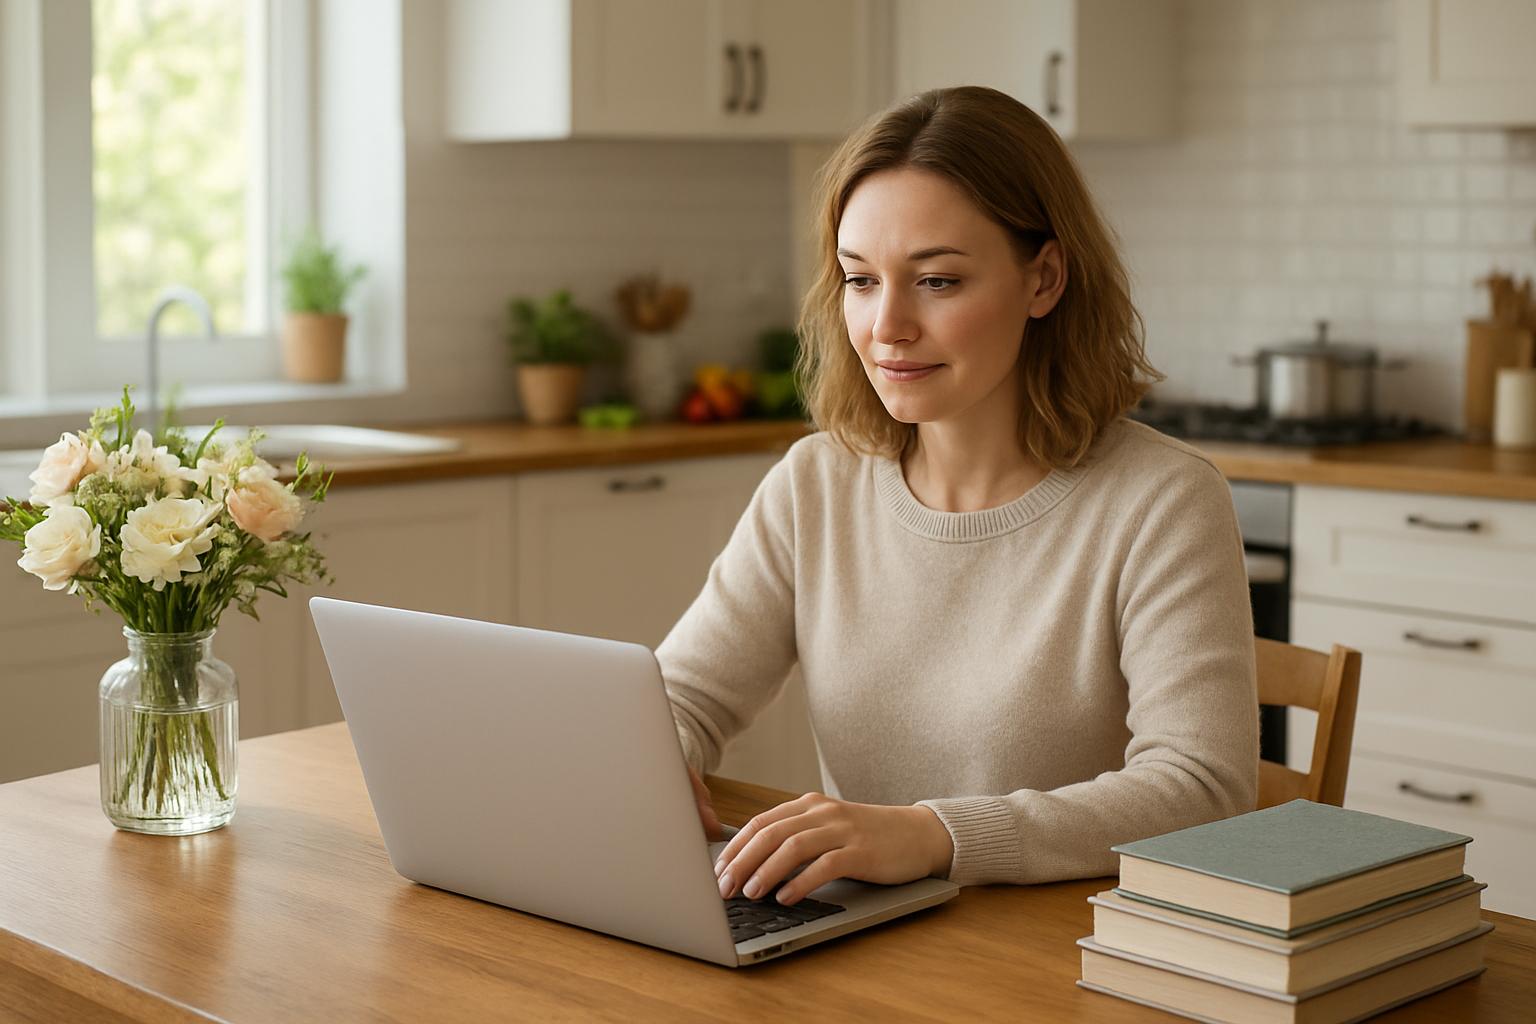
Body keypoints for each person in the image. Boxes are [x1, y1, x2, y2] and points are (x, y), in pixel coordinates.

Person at [660, 86, 1258, 908]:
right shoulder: (814, 484)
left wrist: (934, 835)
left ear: (1044, 279)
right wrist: (657, 754)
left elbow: (1205, 786)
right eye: (860, 280)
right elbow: (682, 696)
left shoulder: (1163, 501)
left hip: (1069, 947)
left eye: (937, 281)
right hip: (867, 941)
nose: (887, 326)